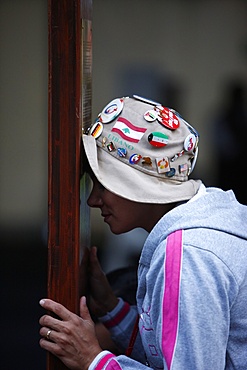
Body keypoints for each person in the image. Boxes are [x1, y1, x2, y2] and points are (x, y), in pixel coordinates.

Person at [39, 95, 247, 370]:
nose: (92, 200)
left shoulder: (188, 255)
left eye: (102, 185)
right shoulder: (205, 220)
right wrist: (111, 308)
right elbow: (169, 353)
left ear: (135, 183)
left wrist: (93, 360)